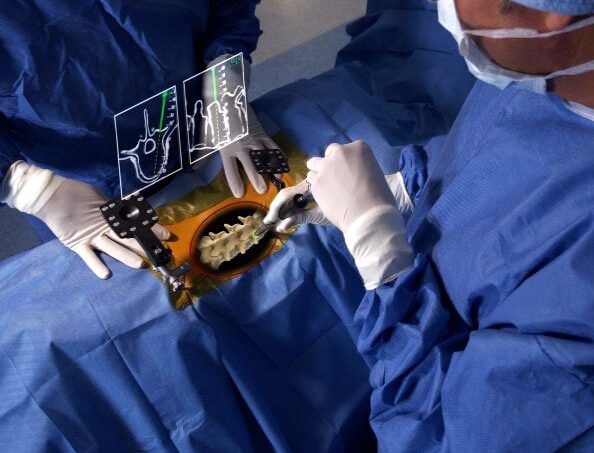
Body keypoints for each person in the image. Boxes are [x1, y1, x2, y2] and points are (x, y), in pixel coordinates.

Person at [265, 0, 594, 450]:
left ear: (550, 14)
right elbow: (490, 152)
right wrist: (408, 189)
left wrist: (380, 252)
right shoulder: (546, 68)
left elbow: (439, 438)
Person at [0, 0, 277, 279]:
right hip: (77, 194)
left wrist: (225, 81)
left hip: (201, 121)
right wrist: (28, 188)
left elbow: (229, 6)